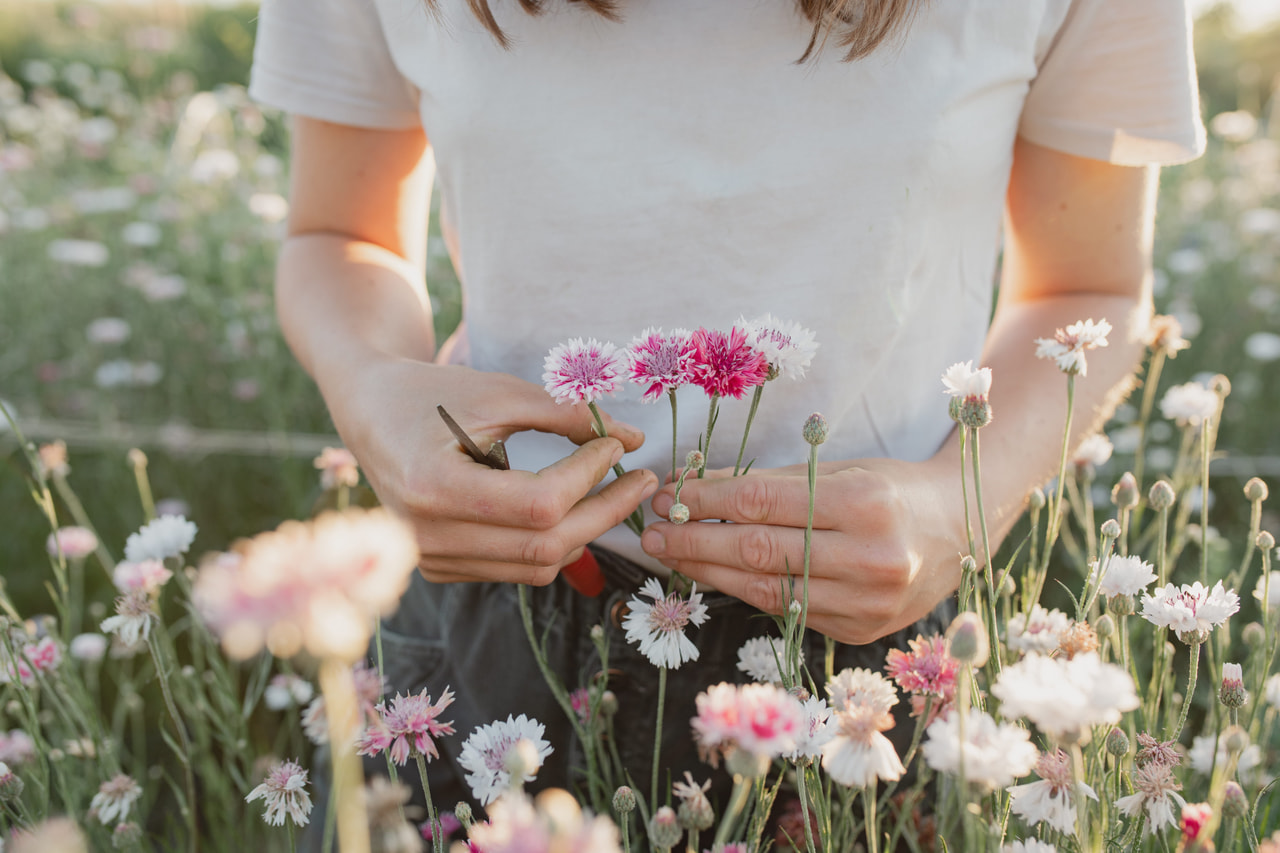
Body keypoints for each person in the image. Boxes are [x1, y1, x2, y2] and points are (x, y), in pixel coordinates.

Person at [248, 0, 1204, 838]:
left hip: (869, 649)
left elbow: (1091, 285)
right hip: (488, 618)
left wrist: (963, 505)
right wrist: (374, 385)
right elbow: (342, 231)